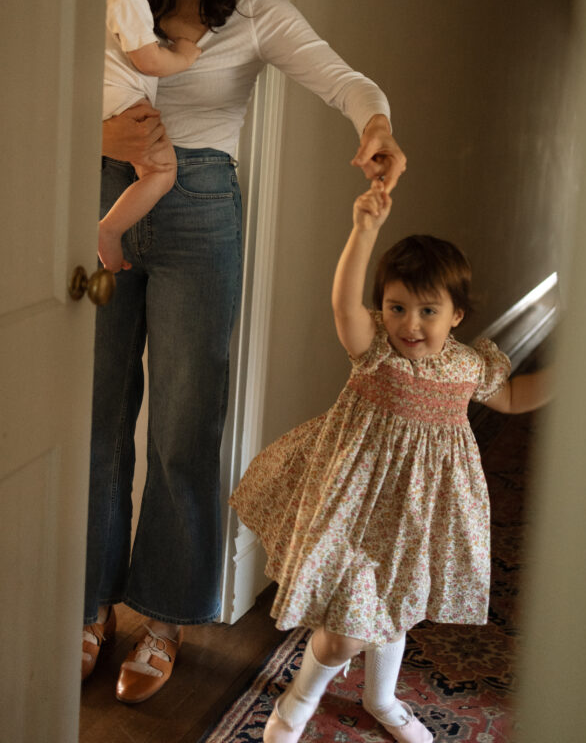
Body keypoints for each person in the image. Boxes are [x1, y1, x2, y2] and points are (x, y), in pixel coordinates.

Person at [82, 0, 407, 703]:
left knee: (187, 423)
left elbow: (346, 81)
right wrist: (95, 132)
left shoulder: (256, 13)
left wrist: (373, 127)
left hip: (198, 215)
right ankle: (82, 608)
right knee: (93, 415)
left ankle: (162, 620)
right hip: (99, 199)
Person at [229, 183, 552, 743]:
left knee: (395, 610)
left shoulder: (469, 367)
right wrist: (364, 230)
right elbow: (343, 305)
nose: (410, 324)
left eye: (429, 311)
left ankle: (381, 697)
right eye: (397, 307)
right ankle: (297, 701)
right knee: (344, 632)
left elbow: (518, 398)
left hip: (419, 512)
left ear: (457, 316)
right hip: (355, 504)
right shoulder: (375, 349)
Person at [98, 0, 201, 273]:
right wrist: (183, 56)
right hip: (126, 103)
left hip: (98, 104)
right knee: (162, 171)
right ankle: (109, 229)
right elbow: (149, 62)